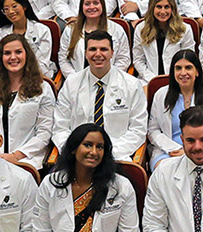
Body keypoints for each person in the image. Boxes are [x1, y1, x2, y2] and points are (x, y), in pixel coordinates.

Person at [53, 31, 147, 162]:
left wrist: (106, 152)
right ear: (85, 53)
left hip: (116, 156)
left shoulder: (132, 85)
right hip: (77, 159)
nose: (98, 54)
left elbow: (138, 130)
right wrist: (77, 151)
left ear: (112, 53)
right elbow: (60, 127)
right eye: (92, 49)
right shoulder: (71, 83)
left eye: (103, 49)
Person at [0, 34, 56, 169]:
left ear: (27, 55)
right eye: (7, 53)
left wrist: (16, 155)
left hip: (28, 160)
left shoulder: (43, 89)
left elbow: (45, 133)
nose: (13, 57)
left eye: (18, 52)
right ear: (0, 58)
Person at [148, 50, 203, 168]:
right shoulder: (161, 94)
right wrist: (176, 149)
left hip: (202, 151)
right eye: (178, 68)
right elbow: (153, 131)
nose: (183, 73)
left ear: (197, 71)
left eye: (188, 68)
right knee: (164, 172)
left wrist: (189, 151)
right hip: (168, 152)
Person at [59, 0, 132, 78]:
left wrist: (108, 78)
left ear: (102, 6)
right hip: (78, 82)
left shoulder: (117, 29)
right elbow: (63, 59)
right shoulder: (70, 29)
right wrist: (76, 79)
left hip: (111, 82)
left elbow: (123, 59)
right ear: (81, 7)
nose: (91, 7)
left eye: (96, 3)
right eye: (87, 4)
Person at [132, 0, 198, 81]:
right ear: (152, 8)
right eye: (159, 7)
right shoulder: (141, 29)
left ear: (172, 9)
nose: (163, 12)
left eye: (167, 7)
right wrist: (152, 79)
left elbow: (188, 59)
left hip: (178, 79)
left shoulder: (184, 29)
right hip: (147, 80)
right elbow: (138, 61)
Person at [0, 0, 57, 78]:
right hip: (9, 78)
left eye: (14, 6)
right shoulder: (0, 33)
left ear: (24, 7)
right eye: (6, 9)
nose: (11, 11)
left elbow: (43, 63)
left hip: (38, 76)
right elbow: (0, 61)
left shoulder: (42, 30)